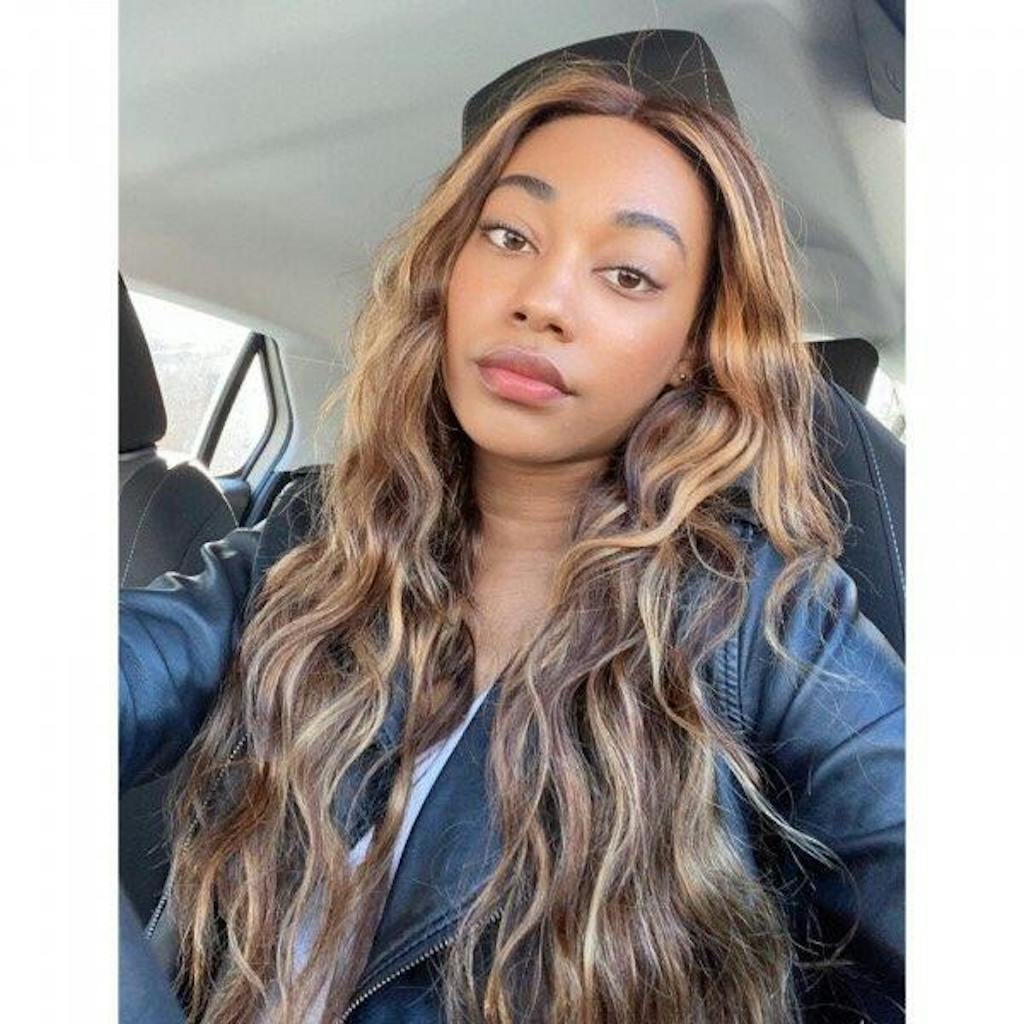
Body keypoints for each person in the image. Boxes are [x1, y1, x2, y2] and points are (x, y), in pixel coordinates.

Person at [120, 60, 904, 1024]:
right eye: (510, 236)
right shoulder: (309, 543)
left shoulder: (768, 620)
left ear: (691, 349)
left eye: (628, 275)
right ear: (451, 274)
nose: (543, 299)